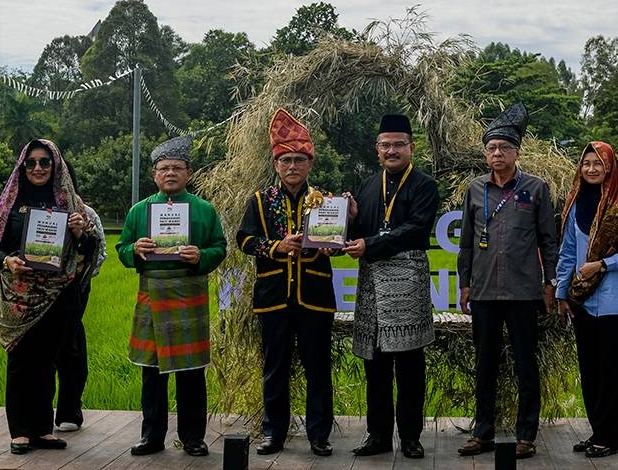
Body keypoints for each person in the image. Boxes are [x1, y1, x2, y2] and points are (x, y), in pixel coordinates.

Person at [456, 103, 558, 460]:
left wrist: (550, 285)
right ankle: (482, 433)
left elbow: (549, 240)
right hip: (483, 291)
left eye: (504, 148)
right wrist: (464, 284)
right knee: (484, 365)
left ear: (517, 152)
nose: (497, 153)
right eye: (491, 148)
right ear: (485, 154)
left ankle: (526, 435)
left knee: (525, 365)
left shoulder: (536, 188)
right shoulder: (474, 189)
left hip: (523, 292)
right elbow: (466, 242)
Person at [0, 139, 98, 455]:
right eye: (31, 162)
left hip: (59, 295)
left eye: (44, 162)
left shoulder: (69, 202)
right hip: (20, 297)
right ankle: (20, 431)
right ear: (23, 166)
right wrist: (7, 261)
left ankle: (42, 430)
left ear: (55, 166)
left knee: (48, 361)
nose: (38, 168)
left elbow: (89, 250)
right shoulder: (11, 201)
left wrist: (79, 232)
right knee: (21, 361)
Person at [116, 135, 227, 458]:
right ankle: (151, 436)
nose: (170, 173)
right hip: (151, 295)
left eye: (177, 168)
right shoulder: (139, 211)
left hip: (188, 295)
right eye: (163, 168)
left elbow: (220, 247)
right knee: (151, 373)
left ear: (188, 173)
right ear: (154, 174)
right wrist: (134, 250)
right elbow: (122, 248)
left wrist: (201, 255)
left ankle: (193, 437)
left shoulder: (204, 210)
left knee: (191, 373)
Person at [237, 109, 336, 457]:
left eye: (299, 160)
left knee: (318, 370)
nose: (292, 166)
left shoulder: (325, 201)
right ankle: (273, 433)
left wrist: (331, 245)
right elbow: (245, 241)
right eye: (286, 160)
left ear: (309, 164)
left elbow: (339, 244)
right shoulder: (261, 201)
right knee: (275, 368)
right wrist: (276, 247)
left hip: (315, 297)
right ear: (276, 165)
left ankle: (319, 435)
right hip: (274, 298)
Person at [343, 114, 439, 460]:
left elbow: (416, 229)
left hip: (407, 282)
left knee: (410, 365)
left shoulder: (425, 185)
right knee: (376, 364)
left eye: (399, 144)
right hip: (372, 284)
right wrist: (351, 220)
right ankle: (378, 435)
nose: (392, 150)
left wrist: (369, 244)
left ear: (411, 148)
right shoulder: (368, 185)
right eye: (386, 145)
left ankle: (411, 437)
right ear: (377, 149)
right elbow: (361, 236)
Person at [555, 141, 618, 458]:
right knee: (590, 369)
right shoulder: (575, 203)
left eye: (598, 163)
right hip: (582, 300)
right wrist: (561, 294)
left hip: (615, 300)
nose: (592, 169)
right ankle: (597, 431)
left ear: (610, 167)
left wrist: (602, 264)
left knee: (610, 371)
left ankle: (608, 437)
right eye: (586, 164)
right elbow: (568, 252)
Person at [54, 162, 107, 432]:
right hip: (30, 295)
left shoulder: (85, 213)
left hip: (73, 292)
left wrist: (80, 233)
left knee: (71, 349)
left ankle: (69, 411)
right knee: (35, 356)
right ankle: (33, 416)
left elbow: (97, 255)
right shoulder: (23, 208)